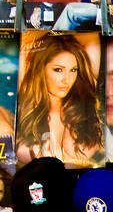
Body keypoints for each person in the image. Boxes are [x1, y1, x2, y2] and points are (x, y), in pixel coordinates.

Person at [15, 33, 103, 167]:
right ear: (41, 69)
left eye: (73, 70)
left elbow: (92, 31)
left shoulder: (84, 104)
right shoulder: (24, 97)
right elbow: (21, 41)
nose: (66, 80)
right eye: (58, 70)